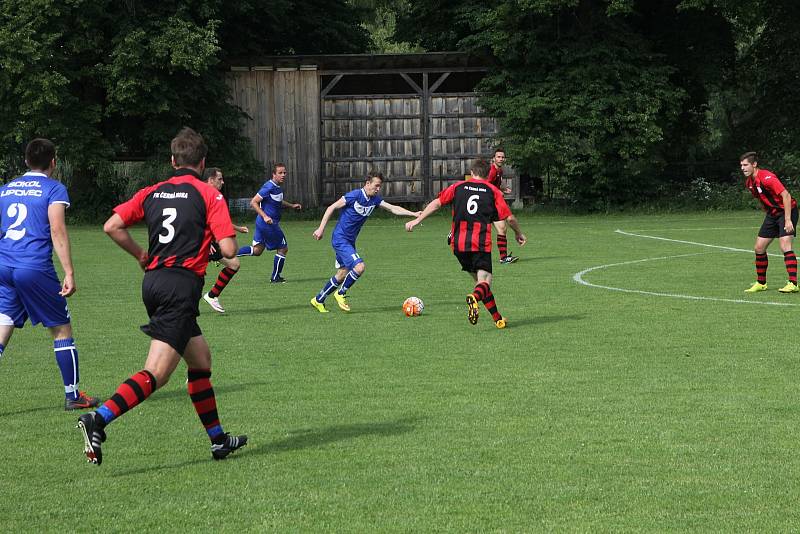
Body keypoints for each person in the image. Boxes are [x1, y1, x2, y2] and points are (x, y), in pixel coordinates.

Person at [77, 128, 247, 466]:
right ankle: (99, 417)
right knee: (156, 373)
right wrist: (212, 242)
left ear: (173, 161)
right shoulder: (209, 195)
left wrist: (141, 254)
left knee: (200, 362)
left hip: (154, 283)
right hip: (181, 287)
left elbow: (112, 226)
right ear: (202, 163)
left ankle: (218, 441)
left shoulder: (152, 192)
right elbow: (229, 249)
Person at [0, 138, 100, 411]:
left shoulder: (6, 189)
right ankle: (73, 395)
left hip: (5, 266)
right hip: (33, 268)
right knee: (60, 329)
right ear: (53, 162)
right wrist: (69, 271)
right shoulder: (54, 189)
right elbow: (57, 230)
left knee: (2, 326)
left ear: (25, 160)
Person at [405, 159, 527, 328]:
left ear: (472, 172)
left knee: (480, 282)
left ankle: (498, 318)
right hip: (480, 244)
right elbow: (510, 218)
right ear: (487, 174)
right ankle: (474, 298)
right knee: (485, 282)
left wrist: (417, 220)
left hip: (458, 245)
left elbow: (436, 203)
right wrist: (518, 233)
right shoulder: (493, 191)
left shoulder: (457, 187)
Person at [310, 171, 420, 313]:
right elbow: (331, 207)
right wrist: (320, 229)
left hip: (349, 241)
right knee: (359, 267)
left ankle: (318, 300)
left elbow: (393, 208)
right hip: (340, 238)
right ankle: (341, 293)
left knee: (342, 273)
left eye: (380, 186)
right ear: (367, 183)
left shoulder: (374, 200)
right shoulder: (354, 195)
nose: (378, 189)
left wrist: (413, 214)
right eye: (376, 186)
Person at [741, 151, 799, 293]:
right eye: (741, 165)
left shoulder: (767, 177)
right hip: (772, 214)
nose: (743, 168)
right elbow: (762, 198)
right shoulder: (749, 182)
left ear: (754, 164)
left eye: (746, 165)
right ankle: (761, 283)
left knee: (785, 244)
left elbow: (786, 195)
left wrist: (787, 220)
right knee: (759, 248)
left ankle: (793, 283)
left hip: (787, 211)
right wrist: (768, 211)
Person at [236, 163, 301, 283]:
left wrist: (292, 205)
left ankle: (227, 255)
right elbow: (253, 202)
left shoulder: (277, 187)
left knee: (257, 250)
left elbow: (278, 201)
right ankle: (275, 277)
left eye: (284, 173)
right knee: (283, 248)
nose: (283, 175)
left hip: (262, 223)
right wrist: (265, 216)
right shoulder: (268, 187)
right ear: (274, 174)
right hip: (268, 224)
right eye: (280, 173)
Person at [202, 167, 249, 313]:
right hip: (199, 242)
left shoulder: (210, 195)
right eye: (219, 179)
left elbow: (218, 220)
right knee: (188, 274)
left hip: (207, 241)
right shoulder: (205, 196)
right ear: (210, 180)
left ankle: (212, 295)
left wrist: (238, 228)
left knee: (234, 264)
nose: (223, 182)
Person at [487, 148, 519, 264]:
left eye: (502, 157)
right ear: (493, 158)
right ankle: (454, 231)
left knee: (502, 228)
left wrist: (503, 188)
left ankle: (504, 258)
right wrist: (497, 191)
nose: (501, 159)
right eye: (498, 157)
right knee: (473, 229)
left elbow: (495, 185)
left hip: (493, 204)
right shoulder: (491, 171)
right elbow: (486, 185)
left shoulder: (499, 170)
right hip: (485, 205)